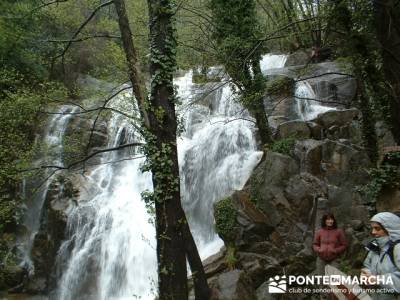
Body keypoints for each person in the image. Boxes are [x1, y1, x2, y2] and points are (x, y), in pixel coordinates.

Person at [362, 212, 400, 299]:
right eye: (372, 228)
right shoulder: (375, 246)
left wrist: (377, 280)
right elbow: (367, 265)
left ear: (389, 228)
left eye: (377, 228)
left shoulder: (398, 248)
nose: (373, 232)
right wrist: (366, 274)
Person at [313, 213, 348, 299]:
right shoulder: (319, 232)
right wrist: (319, 249)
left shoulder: (338, 231)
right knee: (321, 280)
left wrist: (336, 250)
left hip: (334, 259)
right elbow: (314, 244)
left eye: (331, 219)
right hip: (321, 258)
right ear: (324, 221)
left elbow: (344, 245)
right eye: (328, 219)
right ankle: (323, 297)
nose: (330, 221)